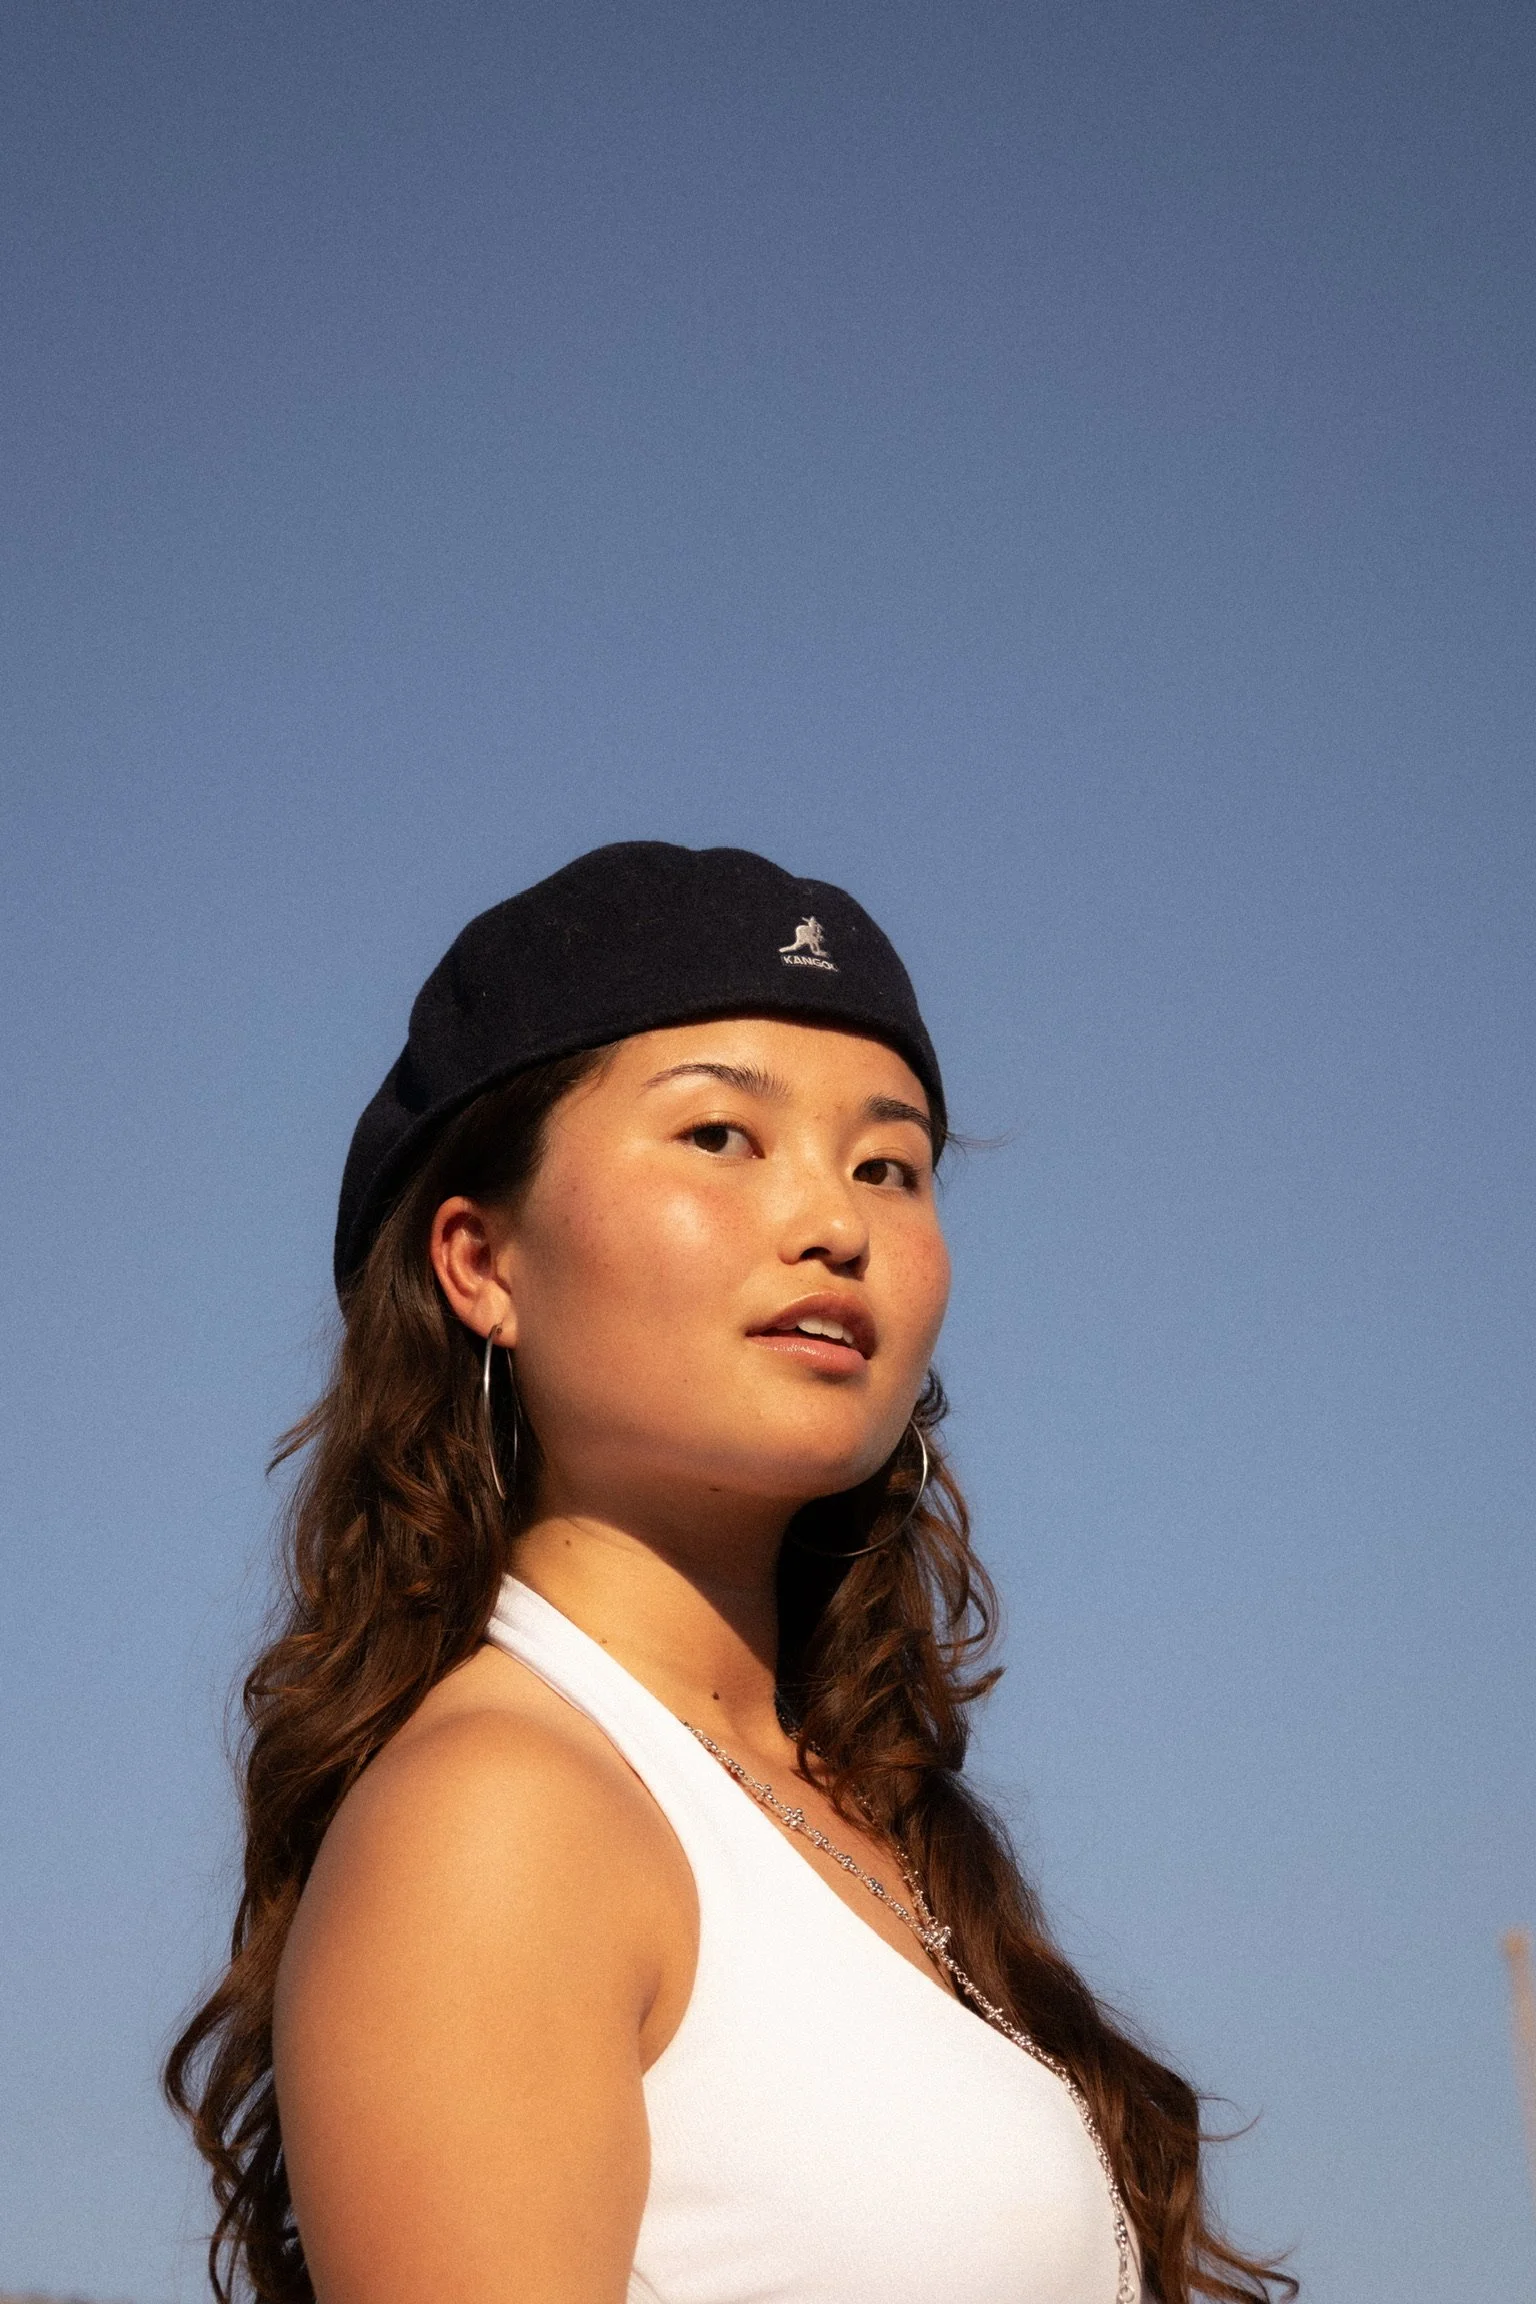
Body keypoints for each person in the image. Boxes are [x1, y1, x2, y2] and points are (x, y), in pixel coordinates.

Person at [167, 842, 1294, 2304]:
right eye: (720, 1138)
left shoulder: (846, 1807)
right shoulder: (502, 1815)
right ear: (480, 1261)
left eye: (888, 1165)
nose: (836, 1223)